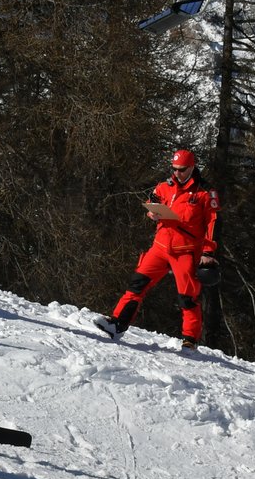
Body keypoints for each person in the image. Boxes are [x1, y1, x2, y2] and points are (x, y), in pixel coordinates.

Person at [94, 147, 219, 350]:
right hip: (160, 247)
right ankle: (117, 323)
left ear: (192, 167)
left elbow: (213, 222)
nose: (177, 173)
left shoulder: (205, 192)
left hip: (186, 250)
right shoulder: (165, 186)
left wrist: (208, 251)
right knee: (137, 284)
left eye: (182, 169)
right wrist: (152, 210)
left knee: (188, 297)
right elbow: (153, 198)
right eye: (174, 168)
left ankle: (190, 340)